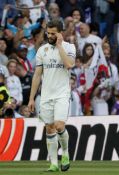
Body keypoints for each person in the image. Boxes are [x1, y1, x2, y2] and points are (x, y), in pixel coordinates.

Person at [28, 19, 76, 172]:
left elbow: (69, 64)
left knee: (59, 125)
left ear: (60, 33)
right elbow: (37, 75)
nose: (50, 35)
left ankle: (66, 154)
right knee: (49, 128)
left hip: (62, 94)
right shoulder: (42, 50)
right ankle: (54, 163)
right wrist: (31, 98)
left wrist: (60, 45)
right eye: (48, 33)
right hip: (46, 95)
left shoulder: (69, 47)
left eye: (53, 33)